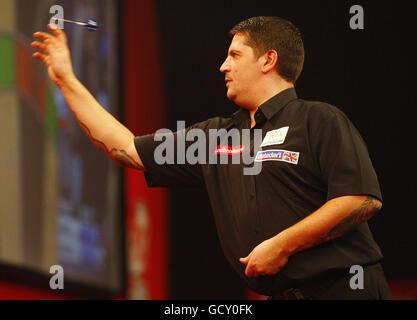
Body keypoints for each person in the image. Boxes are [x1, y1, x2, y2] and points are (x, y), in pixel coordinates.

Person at [31, 16, 392, 299]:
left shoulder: (319, 119)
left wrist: (281, 245)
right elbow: (125, 149)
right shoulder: (216, 137)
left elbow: (361, 199)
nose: (223, 66)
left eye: (235, 55)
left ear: (269, 60)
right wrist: (66, 80)